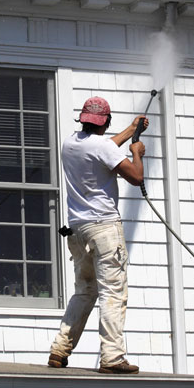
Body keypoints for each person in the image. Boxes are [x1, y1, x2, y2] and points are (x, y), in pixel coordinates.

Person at [48, 96, 148, 374]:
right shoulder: (103, 147)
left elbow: (103, 148)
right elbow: (136, 177)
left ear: (83, 119)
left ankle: (59, 350)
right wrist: (137, 151)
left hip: (77, 230)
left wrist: (131, 129)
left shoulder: (70, 143)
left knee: (85, 291)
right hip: (104, 228)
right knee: (112, 294)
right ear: (106, 122)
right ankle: (113, 358)